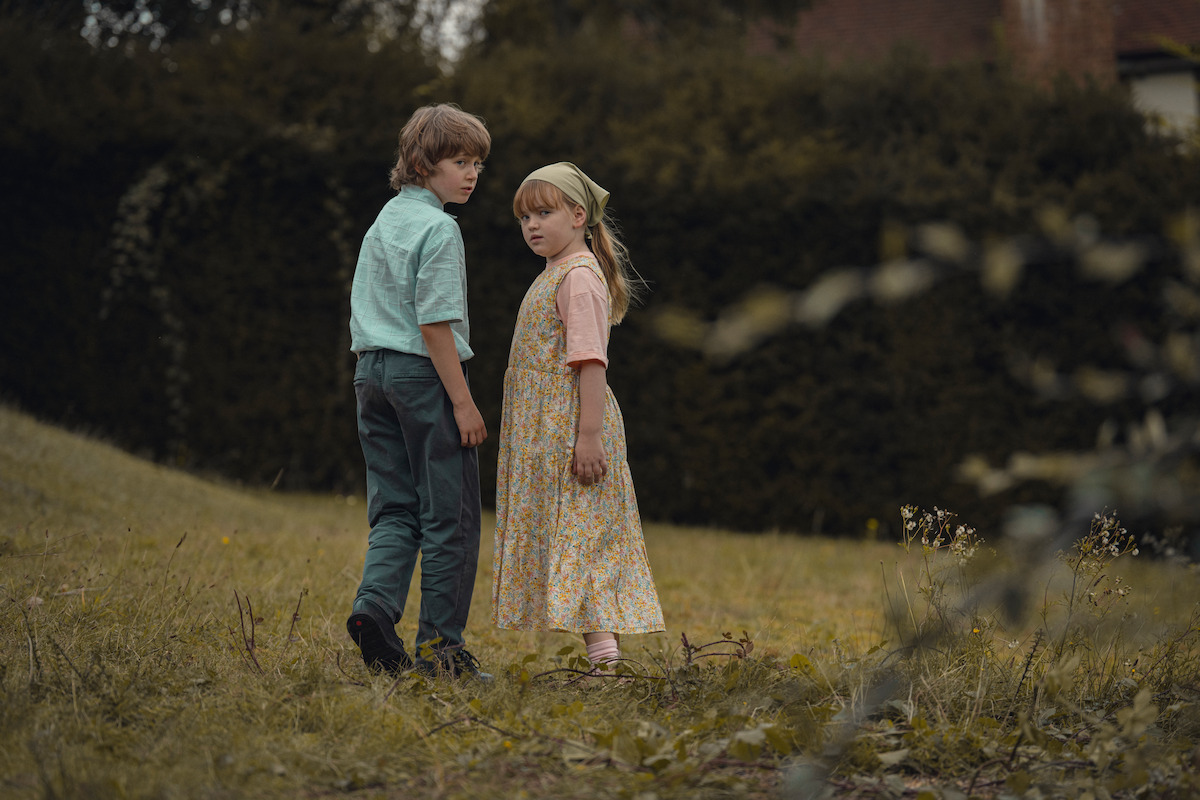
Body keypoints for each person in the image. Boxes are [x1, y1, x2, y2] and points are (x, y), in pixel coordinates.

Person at [492, 162, 664, 672]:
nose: (532, 226)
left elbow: (591, 360)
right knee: (569, 535)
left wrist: (588, 436)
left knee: (582, 538)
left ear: (578, 214)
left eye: (544, 213)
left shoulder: (580, 278)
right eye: (525, 217)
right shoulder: (555, 274)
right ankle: (601, 655)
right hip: (545, 433)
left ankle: (605, 659)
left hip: (571, 428)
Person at [346, 103, 491, 680]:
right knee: (450, 514)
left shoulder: (384, 220)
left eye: (477, 162)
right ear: (423, 162)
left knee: (395, 509)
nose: (472, 174)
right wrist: (462, 401)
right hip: (422, 376)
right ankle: (442, 652)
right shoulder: (440, 228)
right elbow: (434, 325)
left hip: (370, 375)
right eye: (459, 161)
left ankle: (374, 610)